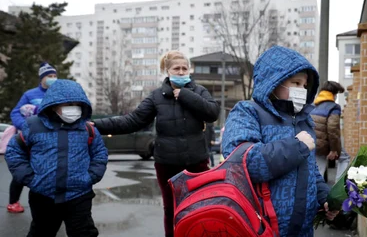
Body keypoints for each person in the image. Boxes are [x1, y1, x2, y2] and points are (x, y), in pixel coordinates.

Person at [91, 50, 220, 237]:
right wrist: (96, 125)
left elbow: (212, 113)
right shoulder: (156, 97)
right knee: (171, 209)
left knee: (198, 207)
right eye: (177, 68)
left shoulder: (199, 91)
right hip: (167, 164)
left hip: (197, 162)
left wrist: (184, 95)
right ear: (168, 71)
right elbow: (132, 121)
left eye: (185, 68)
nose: (182, 72)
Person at [221, 46, 338, 237]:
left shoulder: (304, 119)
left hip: (303, 230)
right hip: (259, 228)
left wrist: (324, 197)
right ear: (273, 82)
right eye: (295, 82)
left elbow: (311, 171)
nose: (302, 89)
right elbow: (243, 162)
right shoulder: (247, 112)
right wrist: (296, 146)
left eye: (304, 85)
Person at [5, 79, 108, 237]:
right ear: (53, 105)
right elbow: (14, 150)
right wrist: (30, 178)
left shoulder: (87, 129)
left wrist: (91, 176)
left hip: (79, 196)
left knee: (84, 233)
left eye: (77, 104)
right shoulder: (33, 126)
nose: (73, 108)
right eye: (67, 104)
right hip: (43, 196)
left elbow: (99, 153)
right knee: (41, 232)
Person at [6, 62, 57, 213]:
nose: (52, 79)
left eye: (55, 76)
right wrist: (26, 127)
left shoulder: (59, 94)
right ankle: (13, 202)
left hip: (52, 139)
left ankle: (52, 203)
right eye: (49, 76)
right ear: (42, 78)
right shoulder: (30, 94)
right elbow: (15, 113)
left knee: (51, 169)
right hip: (31, 140)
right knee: (23, 170)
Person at [310, 81, 345, 180]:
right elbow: (333, 129)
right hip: (323, 145)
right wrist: (334, 149)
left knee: (316, 171)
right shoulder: (334, 107)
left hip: (312, 142)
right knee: (344, 158)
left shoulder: (314, 106)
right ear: (333, 94)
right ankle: (338, 186)